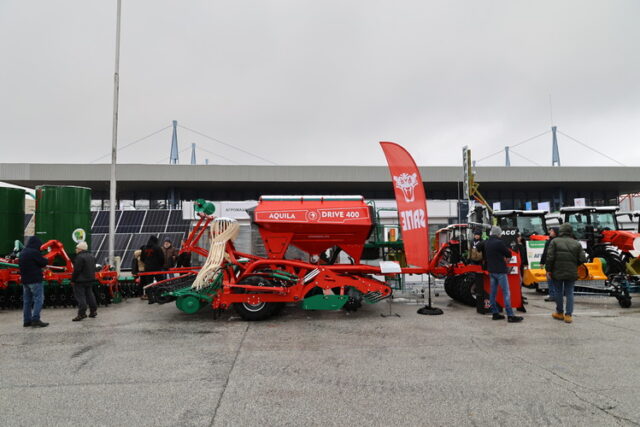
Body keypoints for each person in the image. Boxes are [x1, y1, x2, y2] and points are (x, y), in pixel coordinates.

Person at [478, 226, 523, 323]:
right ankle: (510, 315)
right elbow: (508, 254)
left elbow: (478, 248)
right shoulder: (499, 242)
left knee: (493, 293)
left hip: (491, 271)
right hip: (501, 271)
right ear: (498, 233)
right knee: (506, 293)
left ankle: (495, 313)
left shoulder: (487, 242)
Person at [545, 223, 587, 324]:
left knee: (558, 292)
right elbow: (583, 259)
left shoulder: (554, 242)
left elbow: (550, 257)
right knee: (569, 292)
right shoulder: (576, 243)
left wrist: (548, 270)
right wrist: (574, 264)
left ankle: (559, 313)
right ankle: (568, 315)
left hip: (557, 271)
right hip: (571, 271)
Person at [18, 236, 49, 328]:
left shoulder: (23, 252)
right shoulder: (34, 252)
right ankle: (35, 319)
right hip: (35, 280)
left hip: (25, 281)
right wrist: (46, 259)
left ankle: (27, 321)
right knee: (38, 299)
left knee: (27, 301)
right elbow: (43, 262)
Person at [71, 241, 98, 321]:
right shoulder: (92, 256)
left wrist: (73, 279)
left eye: (77, 248)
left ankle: (82, 314)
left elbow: (77, 270)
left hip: (80, 281)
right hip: (90, 279)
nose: (76, 249)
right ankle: (93, 311)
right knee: (90, 295)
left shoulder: (79, 257)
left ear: (80, 249)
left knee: (81, 297)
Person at [540, 226, 559, 302]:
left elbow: (546, 253)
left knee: (550, 279)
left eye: (551, 231)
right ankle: (557, 295)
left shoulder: (550, 242)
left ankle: (552, 295)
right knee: (556, 281)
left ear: (555, 232)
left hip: (551, 264)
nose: (549, 232)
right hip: (557, 264)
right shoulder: (559, 241)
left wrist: (542, 262)